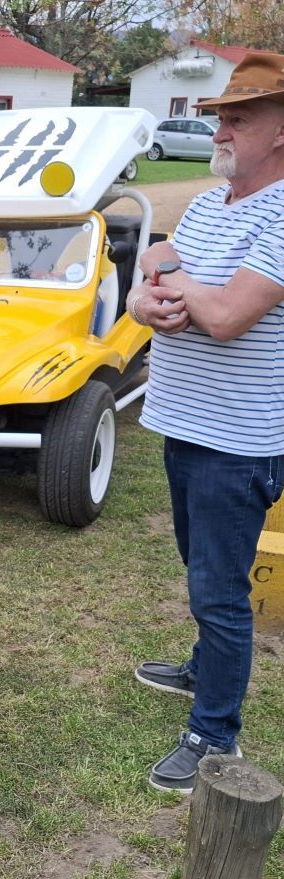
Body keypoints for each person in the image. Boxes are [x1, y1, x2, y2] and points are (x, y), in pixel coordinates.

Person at [125, 52, 284, 794]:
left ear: (282, 131)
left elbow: (222, 316)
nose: (219, 126)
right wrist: (146, 296)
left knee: (220, 592)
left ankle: (214, 730)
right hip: (187, 422)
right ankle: (203, 670)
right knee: (201, 571)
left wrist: (167, 270)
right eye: (221, 113)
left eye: (239, 116)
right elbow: (153, 294)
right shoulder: (207, 204)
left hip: (239, 440)